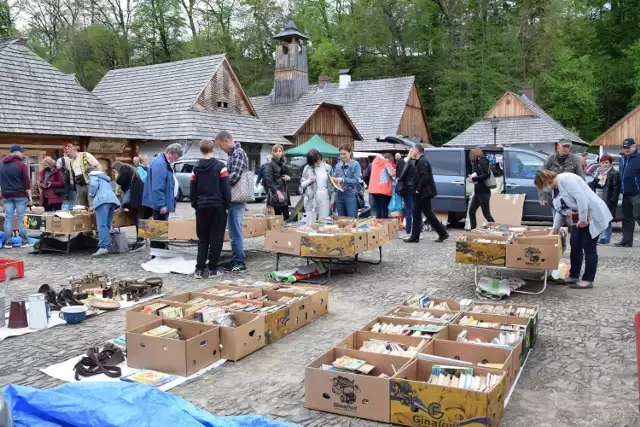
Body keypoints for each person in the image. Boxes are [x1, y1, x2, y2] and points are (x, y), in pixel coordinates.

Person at [535, 170, 612, 289]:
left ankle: (588, 279)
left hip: (590, 215)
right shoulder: (555, 188)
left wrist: (582, 219)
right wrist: (555, 229)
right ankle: (574, 275)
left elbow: (581, 198)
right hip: (577, 218)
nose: (545, 189)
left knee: (589, 247)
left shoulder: (566, 180)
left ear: (547, 181)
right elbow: (560, 210)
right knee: (575, 244)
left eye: (544, 186)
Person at [191, 139, 231, 279]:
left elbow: (192, 189)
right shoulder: (221, 166)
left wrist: (195, 204)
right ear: (213, 149)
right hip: (218, 206)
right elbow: (226, 188)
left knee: (203, 239)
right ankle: (213, 269)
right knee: (216, 238)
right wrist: (227, 205)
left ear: (201, 150)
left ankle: (199, 270)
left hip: (202, 207)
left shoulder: (196, 168)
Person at [217, 131, 249, 272]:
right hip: (233, 198)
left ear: (226, 141)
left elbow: (234, 176)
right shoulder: (233, 154)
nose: (221, 148)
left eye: (220, 145)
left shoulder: (238, 153)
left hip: (236, 198)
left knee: (235, 231)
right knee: (233, 230)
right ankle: (236, 259)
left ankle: (239, 262)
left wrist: (220, 186)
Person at [405, 143, 449, 243]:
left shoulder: (422, 162)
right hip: (420, 193)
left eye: (412, 150)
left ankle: (443, 233)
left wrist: (418, 189)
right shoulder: (419, 161)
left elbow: (425, 177)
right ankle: (415, 237)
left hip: (424, 193)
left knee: (428, 214)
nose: (411, 151)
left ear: (417, 151)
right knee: (416, 213)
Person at [142, 143, 183, 249]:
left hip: (162, 202)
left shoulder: (162, 161)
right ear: (170, 152)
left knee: (160, 226)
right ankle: (158, 252)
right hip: (160, 204)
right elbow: (157, 187)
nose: (174, 160)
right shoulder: (160, 163)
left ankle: (161, 248)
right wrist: (161, 205)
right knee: (158, 227)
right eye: (175, 157)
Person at [0, 144, 32, 245]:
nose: (23, 154)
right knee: (21, 217)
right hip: (20, 195)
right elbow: (26, 182)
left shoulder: (1, 164)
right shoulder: (21, 165)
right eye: (21, 152)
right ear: (16, 152)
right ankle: (24, 240)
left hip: (6, 195)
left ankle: (8, 240)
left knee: (8, 217)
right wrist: (30, 197)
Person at [538, 139, 584, 206]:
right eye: (564, 146)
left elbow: (581, 178)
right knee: (555, 215)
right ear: (558, 146)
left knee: (569, 216)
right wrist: (542, 196)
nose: (566, 148)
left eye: (568, 146)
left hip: (570, 196)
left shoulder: (575, 159)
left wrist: (581, 196)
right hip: (554, 195)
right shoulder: (550, 159)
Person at [588, 154, 620, 244]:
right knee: (599, 217)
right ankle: (599, 237)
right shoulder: (599, 172)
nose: (604, 165)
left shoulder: (614, 173)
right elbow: (595, 184)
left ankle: (605, 238)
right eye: (602, 163)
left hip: (608, 198)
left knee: (607, 218)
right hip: (598, 197)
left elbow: (616, 188)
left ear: (610, 163)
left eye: (606, 163)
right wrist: (597, 177)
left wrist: (613, 200)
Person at [89, 165, 121, 257]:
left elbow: (94, 185)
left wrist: (92, 194)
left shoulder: (93, 176)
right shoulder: (105, 178)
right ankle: (107, 245)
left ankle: (103, 247)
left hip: (102, 201)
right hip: (112, 200)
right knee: (107, 224)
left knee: (101, 225)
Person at [113, 161, 145, 251]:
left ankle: (140, 240)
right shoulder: (131, 170)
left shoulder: (124, 168)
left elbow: (120, 181)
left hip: (136, 197)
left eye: (115, 171)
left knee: (137, 218)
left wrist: (117, 177)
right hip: (139, 196)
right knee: (139, 218)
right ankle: (141, 239)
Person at [616, 138, 640, 247]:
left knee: (638, 215)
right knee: (627, 218)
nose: (626, 149)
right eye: (624, 147)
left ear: (634, 147)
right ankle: (626, 241)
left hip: (637, 193)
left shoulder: (638, 159)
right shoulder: (623, 160)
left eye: (628, 147)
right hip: (625, 194)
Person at [467, 148, 496, 229]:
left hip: (484, 192)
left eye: (471, 156)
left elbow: (486, 175)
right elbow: (479, 173)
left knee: (486, 214)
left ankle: (495, 228)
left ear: (475, 154)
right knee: (471, 212)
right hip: (478, 192)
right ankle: (473, 230)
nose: (471, 158)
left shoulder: (483, 161)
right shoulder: (477, 162)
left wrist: (474, 179)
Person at [301, 148, 333, 219]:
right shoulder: (307, 168)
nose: (318, 161)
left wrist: (332, 199)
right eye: (315, 160)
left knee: (323, 220)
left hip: (324, 195)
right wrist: (310, 180)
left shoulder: (328, 168)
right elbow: (302, 185)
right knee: (310, 220)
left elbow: (332, 185)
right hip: (311, 197)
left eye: (318, 158)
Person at [333, 145, 362, 218]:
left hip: (350, 194)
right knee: (341, 218)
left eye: (344, 154)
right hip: (339, 194)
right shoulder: (338, 165)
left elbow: (356, 180)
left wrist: (343, 180)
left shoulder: (355, 164)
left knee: (351, 218)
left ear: (350, 153)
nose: (342, 156)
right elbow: (335, 178)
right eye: (341, 154)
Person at [398, 153, 422, 235]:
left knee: (408, 210)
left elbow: (401, 176)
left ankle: (408, 230)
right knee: (417, 210)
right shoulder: (419, 162)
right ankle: (419, 230)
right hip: (416, 188)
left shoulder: (406, 163)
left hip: (408, 188)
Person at [265, 145, 291, 218]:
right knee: (278, 218)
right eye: (276, 151)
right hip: (275, 193)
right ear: (273, 152)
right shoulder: (270, 164)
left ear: (282, 152)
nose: (278, 153)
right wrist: (277, 192)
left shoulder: (283, 163)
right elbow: (269, 181)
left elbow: (287, 175)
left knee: (286, 217)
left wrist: (288, 178)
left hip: (284, 192)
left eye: (280, 151)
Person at [368, 153, 396, 219]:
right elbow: (393, 173)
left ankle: (379, 225)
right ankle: (384, 226)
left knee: (378, 208)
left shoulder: (375, 162)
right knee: (384, 208)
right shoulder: (386, 162)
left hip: (373, 189)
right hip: (384, 189)